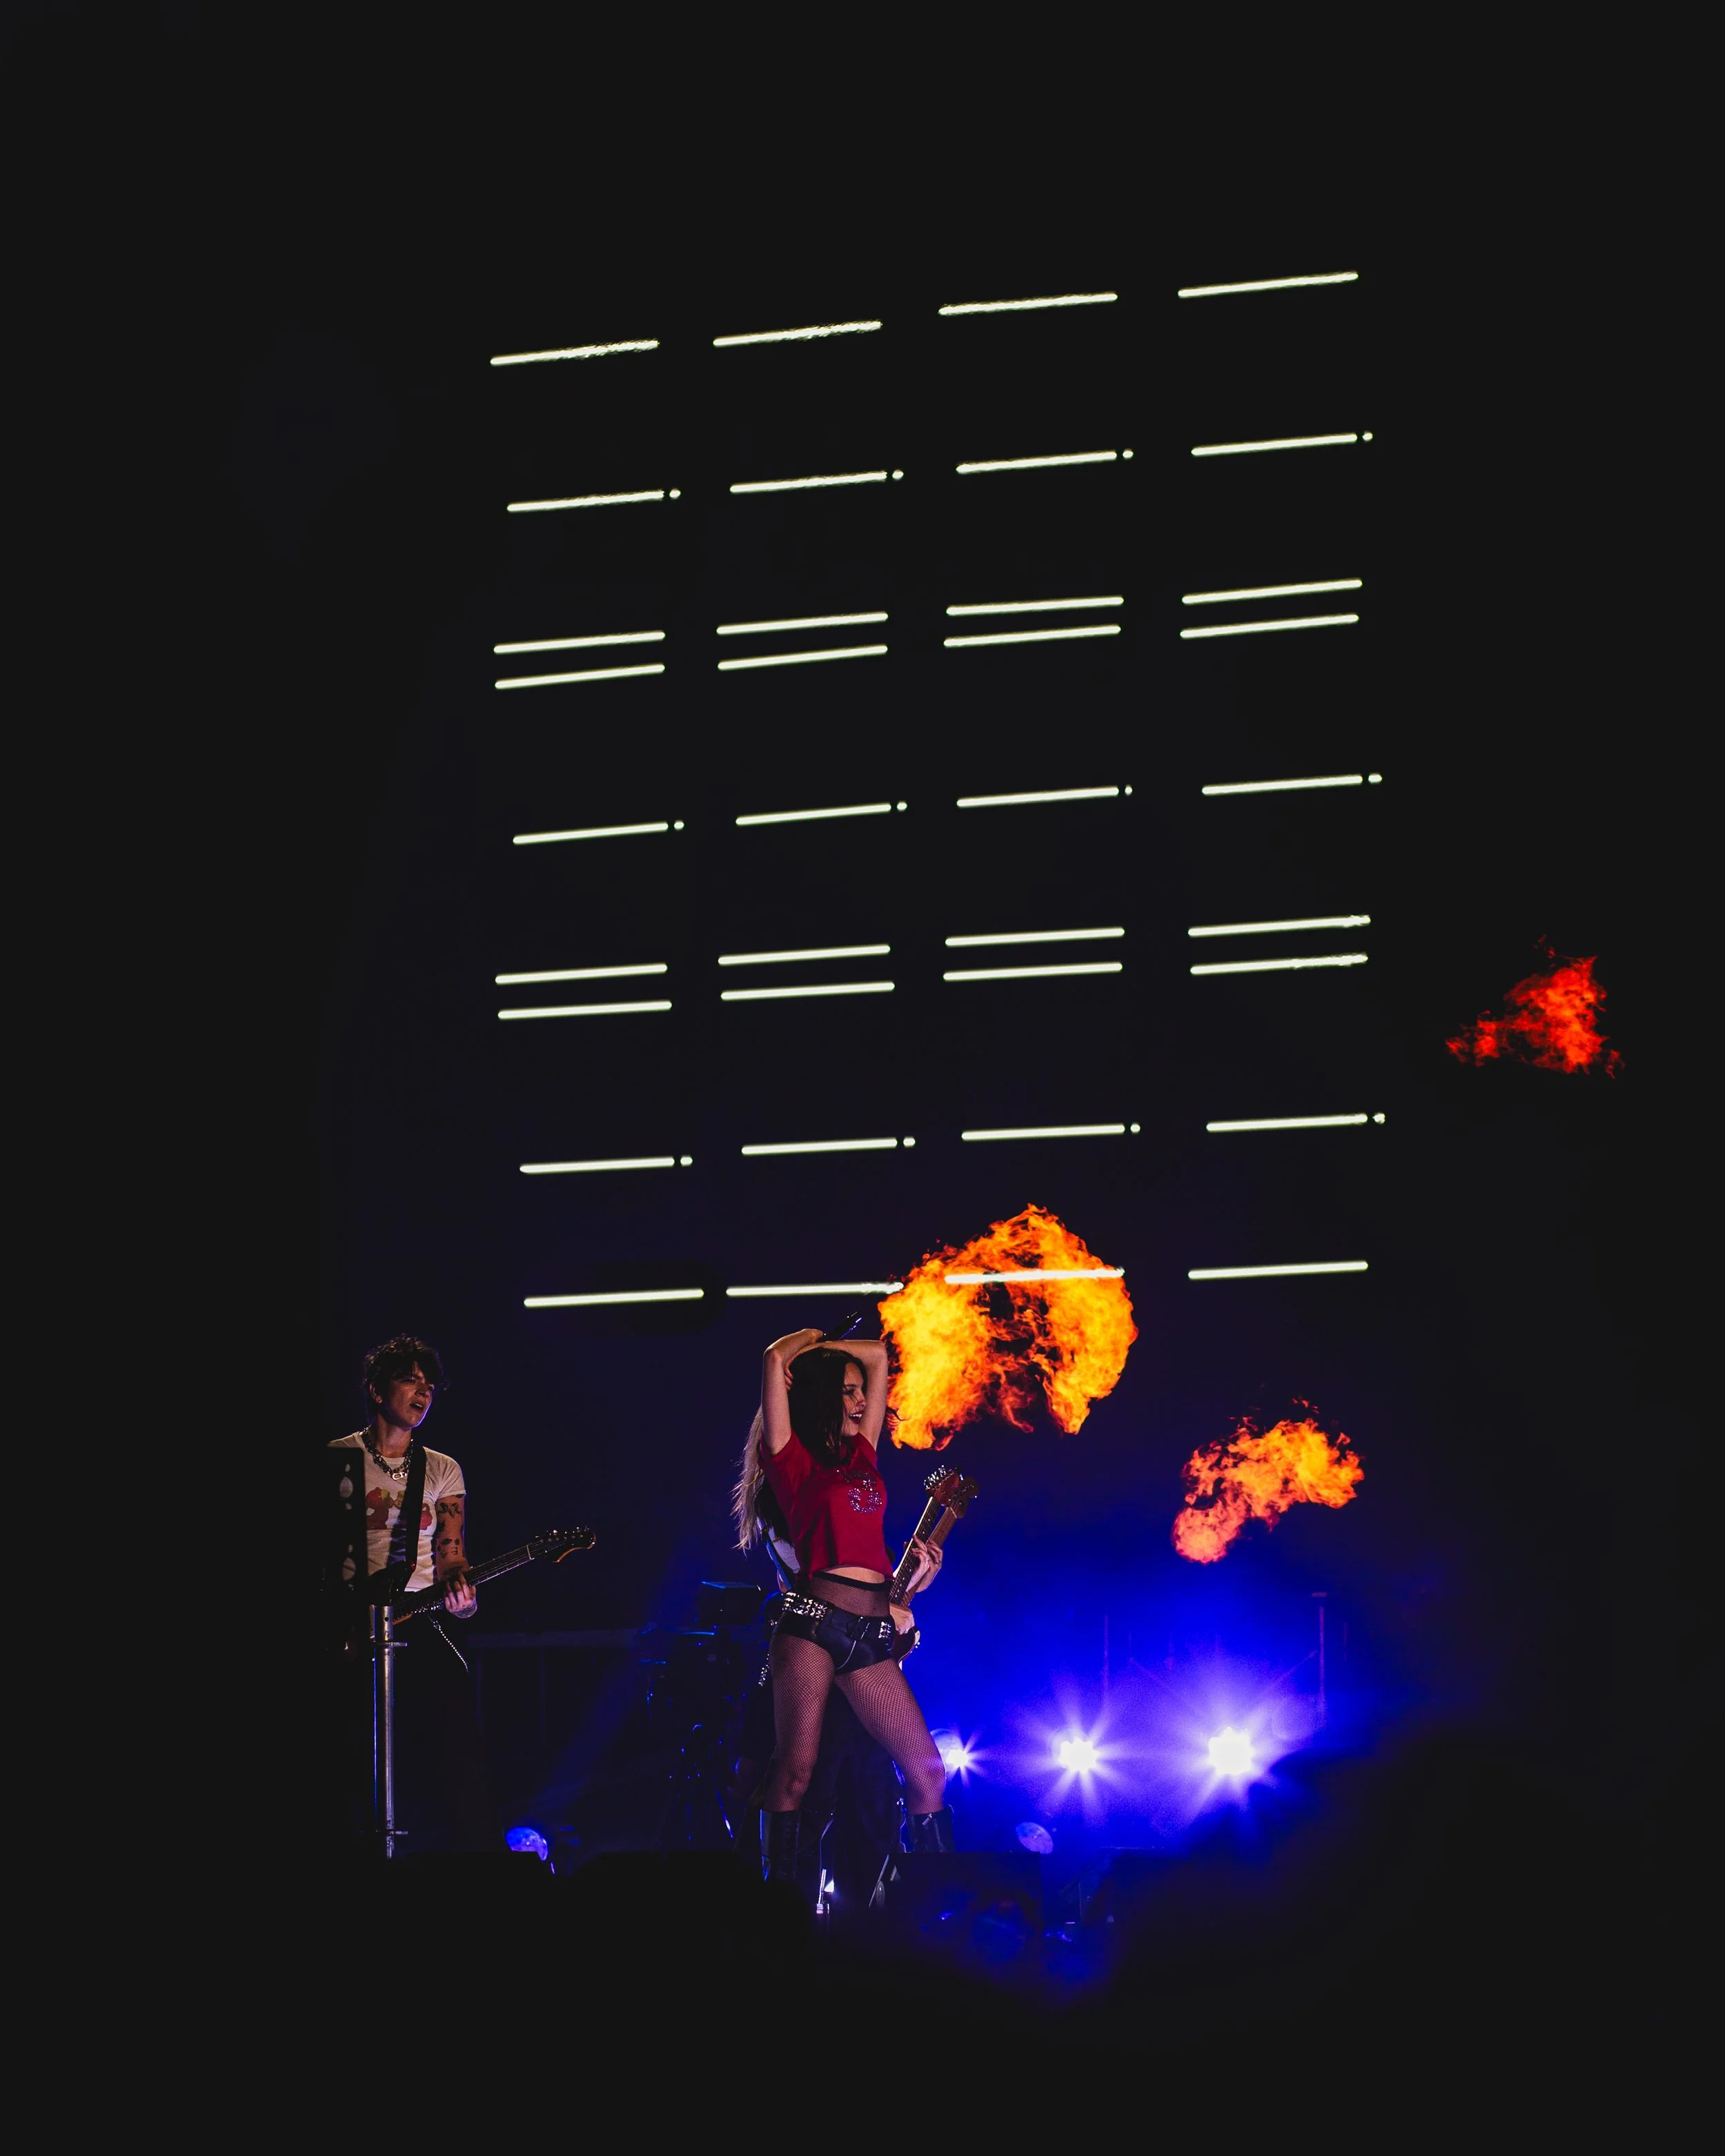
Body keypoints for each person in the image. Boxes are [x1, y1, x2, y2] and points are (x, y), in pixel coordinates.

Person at [731, 1326, 951, 1883]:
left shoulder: (864, 1452)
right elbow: (773, 1354)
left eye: (860, 1392)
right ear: (823, 1397)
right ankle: (778, 1911)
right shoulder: (790, 1461)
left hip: (872, 1635)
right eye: (846, 1392)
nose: (859, 1400)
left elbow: (878, 1355)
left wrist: (837, 1354)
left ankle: (938, 1909)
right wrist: (810, 1345)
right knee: (795, 1774)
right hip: (813, 1624)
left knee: (927, 1773)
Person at [327, 1333, 497, 1854]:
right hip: (349, 1620)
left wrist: (461, 1590)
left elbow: (451, 1551)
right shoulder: (337, 1458)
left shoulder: (442, 1468)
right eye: (410, 1378)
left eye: (430, 1383)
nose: (423, 1390)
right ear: (378, 1390)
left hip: (418, 1617)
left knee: (454, 1745)